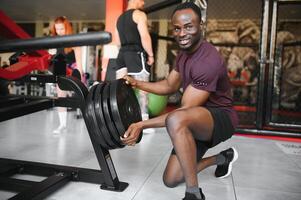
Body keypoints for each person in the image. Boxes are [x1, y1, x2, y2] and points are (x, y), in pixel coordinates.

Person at [121, 2, 239, 200]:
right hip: (195, 117)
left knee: (176, 120)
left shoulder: (207, 61)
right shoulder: (184, 54)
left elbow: (181, 113)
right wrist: (137, 84)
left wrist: (141, 124)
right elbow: (169, 85)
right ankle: (223, 158)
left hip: (220, 118)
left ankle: (193, 193)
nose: (182, 33)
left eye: (188, 26)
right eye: (177, 28)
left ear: (201, 25)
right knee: (171, 179)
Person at [115, 0, 154, 123]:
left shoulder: (119, 18)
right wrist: (151, 55)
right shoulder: (139, 14)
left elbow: (117, 42)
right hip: (136, 53)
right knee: (144, 89)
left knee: (120, 89)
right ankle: (144, 121)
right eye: (142, 0)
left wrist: (124, 53)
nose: (143, 3)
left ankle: (121, 119)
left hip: (122, 55)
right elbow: (145, 36)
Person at [50, 16, 83, 134]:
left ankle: (88, 118)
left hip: (73, 72)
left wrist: (81, 78)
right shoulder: (55, 42)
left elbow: (79, 63)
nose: (59, 32)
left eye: (62, 29)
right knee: (61, 98)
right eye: (57, 29)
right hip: (60, 71)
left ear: (67, 28)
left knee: (82, 97)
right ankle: (62, 125)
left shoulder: (74, 42)